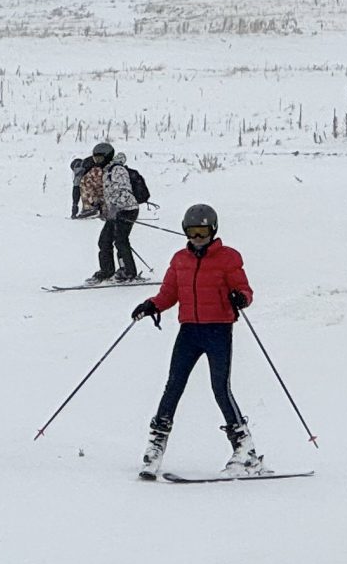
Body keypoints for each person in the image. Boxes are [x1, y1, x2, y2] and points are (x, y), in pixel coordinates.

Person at [129, 203, 258, 478]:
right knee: (173, 385)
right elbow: (169, 294)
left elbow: (245, 290)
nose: (197, 238)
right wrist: (152, 305)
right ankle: (155, 448)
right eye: (191, 232)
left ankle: (245, 450)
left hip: (218, 330)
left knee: (220, 388)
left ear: (213, 230)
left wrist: (241, 299)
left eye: (202, 232)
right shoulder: (179, 260)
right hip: (189, 331)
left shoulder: (228, 257)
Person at [85, 142, 146, 284]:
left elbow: (123, 191)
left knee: (120, 240)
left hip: (126, 210)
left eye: (100, 159)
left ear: (107, 156)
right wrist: (101, 204)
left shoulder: (117, 170)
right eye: (95, 159)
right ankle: (107, 271)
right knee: (104, 240)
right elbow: (110, 192)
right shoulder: (107, 170)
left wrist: (117, 208)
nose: (97, 162)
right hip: (115, 212)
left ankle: (128, 271)